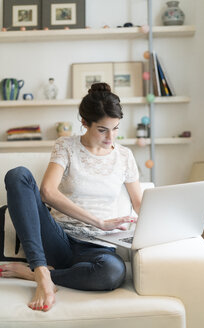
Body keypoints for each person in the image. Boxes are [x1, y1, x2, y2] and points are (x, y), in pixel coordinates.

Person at [0, 82, 142, 312]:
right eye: (102, 130)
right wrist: (99, 222)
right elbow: (47, 191)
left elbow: (139, 203)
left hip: (98, 248)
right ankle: (41, 271)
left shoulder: (125, 156)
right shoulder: (65, 145)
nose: (111, 137)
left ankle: (35, 275)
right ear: (85, 123)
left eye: (115, 128)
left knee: (114, 272)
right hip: (59, 240)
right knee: (18, 176)